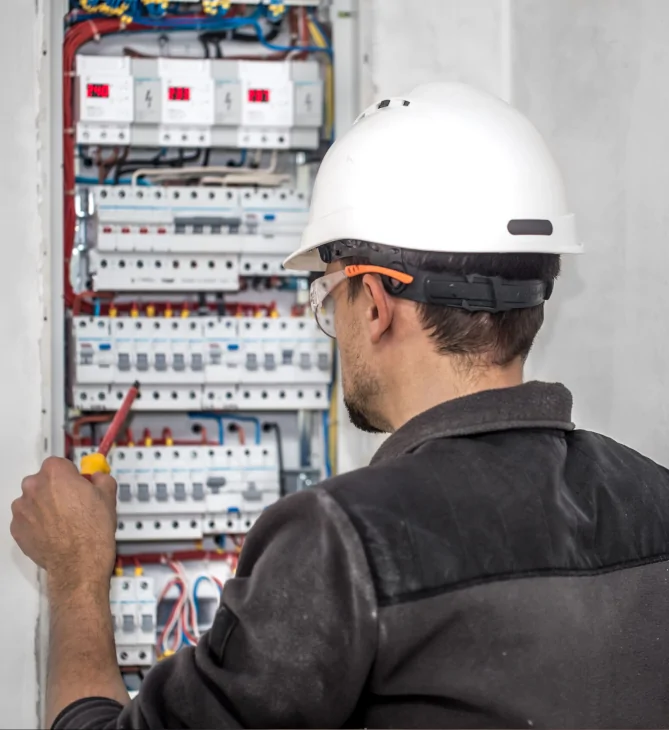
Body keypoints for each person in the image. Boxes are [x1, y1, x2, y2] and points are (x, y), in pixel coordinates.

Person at [12, 82, 669, 730]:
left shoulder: (342, 541)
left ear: (376, 305)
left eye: (329, 296)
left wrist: (76, 573)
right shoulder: (653, 498)